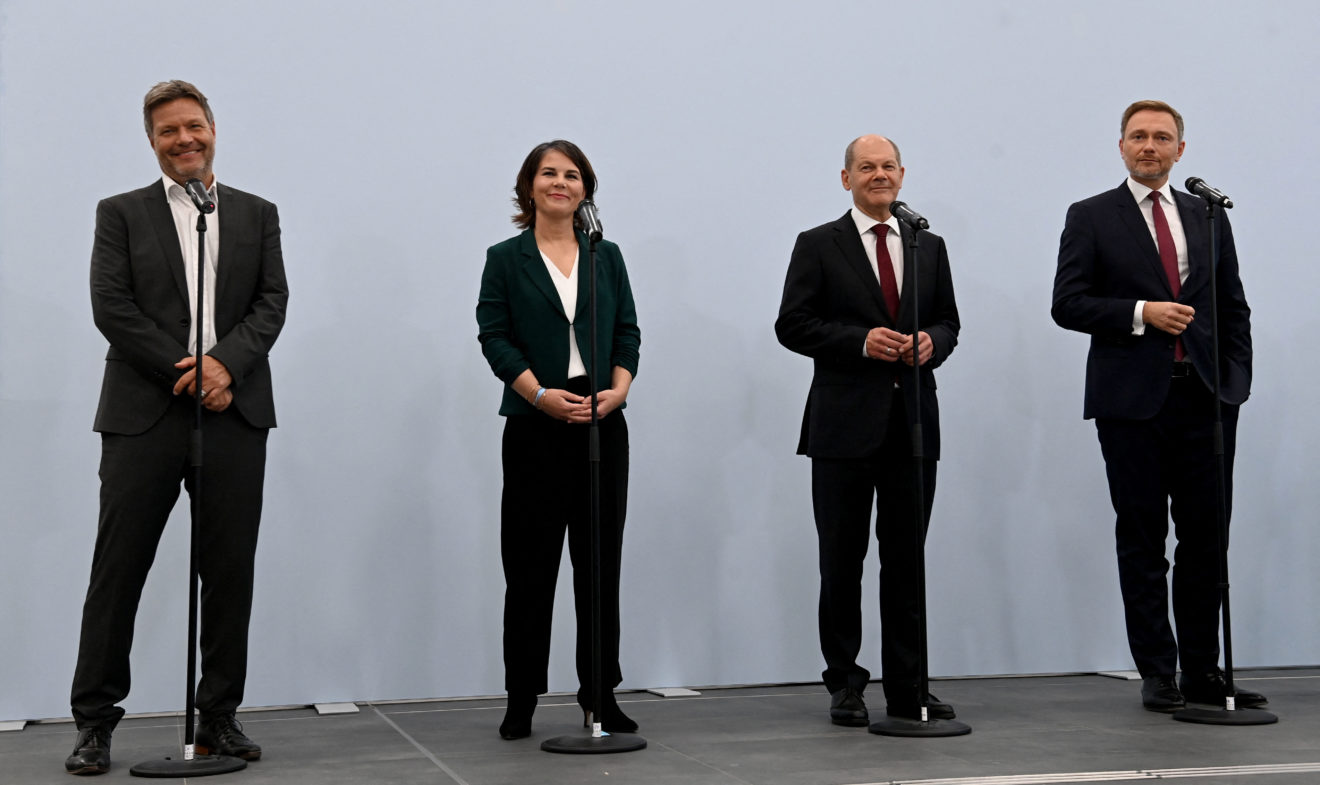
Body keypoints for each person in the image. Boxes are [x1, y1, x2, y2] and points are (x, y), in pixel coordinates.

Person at [66, 80, 288, 775]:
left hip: (235, 412)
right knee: (119, 569)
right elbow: (111, 305)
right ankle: (94, 722)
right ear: (152, 141)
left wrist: (225, 366)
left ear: (213, 130)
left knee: (229, 572)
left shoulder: (256, 213)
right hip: (144, 415)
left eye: (194, 126)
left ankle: (218, 715)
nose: (184, 139)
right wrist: (188, 370)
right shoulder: (121, 213)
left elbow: (272, 301)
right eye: (168, 131)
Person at [1052, 100, 1264, 713]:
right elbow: (1068, 303)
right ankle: (1157, 672)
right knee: (1143, 538)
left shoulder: (1207, 214)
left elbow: (1233, 305)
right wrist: (1142, 313)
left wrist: (1234, 380)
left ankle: (1203, 671)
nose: (1150, 146)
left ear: (1180, 149)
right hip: (1131, 403)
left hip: (1206, 399)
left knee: (1206, 540)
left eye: (1162, 137)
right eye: (1139, 136)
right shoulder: (1092, 215)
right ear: (1121, 146)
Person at [775, 135, 961, 726]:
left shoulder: (928, 243)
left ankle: (909, 686)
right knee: (842, 561)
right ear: (846, 178)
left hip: (913, 425)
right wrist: (858, 341)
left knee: (907, 562)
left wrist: (933, 343)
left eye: (887, 166)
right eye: (866, 167)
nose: (879, 175)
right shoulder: (817, 244)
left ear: (902, 175)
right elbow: (792, 325)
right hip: (842, 428)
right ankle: (845, 683)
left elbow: (949, 321)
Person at [476, 140, 641, 740]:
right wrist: (537, 393)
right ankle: (521, 698)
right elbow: (493, 336)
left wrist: (618, 391)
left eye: (572, 175)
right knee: (529, 569)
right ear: (529, 186)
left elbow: (628, 332)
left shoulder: (606, 254)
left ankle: (600, 693)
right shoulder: (505, 257)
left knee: (599, 568)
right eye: (548, 173)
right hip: (534, 425)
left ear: (585, 189)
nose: (560, 183)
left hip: (602, 422)